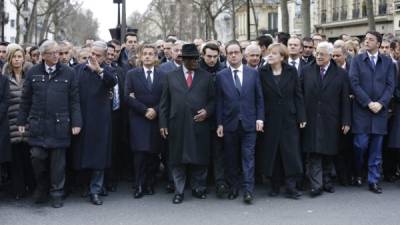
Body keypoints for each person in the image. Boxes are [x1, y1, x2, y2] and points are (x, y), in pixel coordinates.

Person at [17, 40, 82, 208]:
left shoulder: (68, 73)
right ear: (43, 55)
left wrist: (76, 122)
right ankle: (42, 185)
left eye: (58, 53)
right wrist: (21, 121)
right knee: (37, 157)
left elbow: (74, 100)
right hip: (38, 124)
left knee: (58, 163)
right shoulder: (33, 72)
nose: (57, 56)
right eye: (53, 53)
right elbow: (25, 99)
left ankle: (57, 193)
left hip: (60, 124)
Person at [159, 43, 215, 204]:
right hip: (177, 125)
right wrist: (162, 124)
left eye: (196, 59)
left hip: (199, 124)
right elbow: (164, 103)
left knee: (200, 158)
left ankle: (199, 188)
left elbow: (213, 100)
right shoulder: (171, 76)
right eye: (191, 59)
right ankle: (179, 191)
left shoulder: (206, 76)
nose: (194, 62)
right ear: (183, 60)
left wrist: (207, 111)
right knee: (177, 160)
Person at [216, 40, 264, 204]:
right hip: (230, 124)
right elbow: (219, 102)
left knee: (248, 157)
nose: (234, 55)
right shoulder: (221, 76)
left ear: (242, 54)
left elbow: (259, 98)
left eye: (236, 52)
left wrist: (260, 118)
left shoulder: (253, 73)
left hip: (249, 123)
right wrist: (220, 123)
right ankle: (234, 187)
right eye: (230, 53)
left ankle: (248, 190)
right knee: (231, 158)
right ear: (226, 55)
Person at [301, 42, 351, 197]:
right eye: (317, 53)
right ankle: (316, 185)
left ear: (330, 56)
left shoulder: (341, 74)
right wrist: (301, 117)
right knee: (314, 152)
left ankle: (326, 180)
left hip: (331, 118)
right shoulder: (306, 70)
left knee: (329, 151)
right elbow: (299, 96)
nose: (318, 56)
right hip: (311, 117)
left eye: (322, 54)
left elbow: (345, 99)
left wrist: (346, 121)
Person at [258, 43, 306, 199]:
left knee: (290, 152)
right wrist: (261, 118)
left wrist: (301, 116)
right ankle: (275, 185)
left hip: (288, 118)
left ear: (282, 57)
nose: (269, 56)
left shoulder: (292, 72)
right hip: (270, 118)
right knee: (273, 152)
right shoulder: (262, 72)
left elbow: (298, 95)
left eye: (273, 53)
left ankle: (291, 186)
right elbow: (260, 98)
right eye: (269, 53)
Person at [73, 41, 117, 205]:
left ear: (105, 57)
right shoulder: (78, 70)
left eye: (98, 55)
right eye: (92, 54)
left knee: (99, 156)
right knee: (82, 154)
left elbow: (112, 81)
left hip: (100, 120)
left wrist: (99, 70)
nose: (94, 58)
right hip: (82, 118)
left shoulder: (109, 70)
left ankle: (95, 190)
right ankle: (84, 185)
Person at [350, 31, 395, 194]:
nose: (366, 41)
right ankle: (357, 171)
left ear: (378, 43)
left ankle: (373, 180)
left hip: (380, 112)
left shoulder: (388, 62)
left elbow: (391, 86)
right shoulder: (357, 61)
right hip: (362, 110)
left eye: (371, 39)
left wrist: (381, 103)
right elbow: (354, 83)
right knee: (360, 145)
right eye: (365, 39)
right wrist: (368, 102)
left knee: (376, 149)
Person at [125, 44, 164, 198]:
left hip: (156, 119)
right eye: (145, 54)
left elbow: (166, 97)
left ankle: (150, 183)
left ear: (155, 57)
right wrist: (144, 110)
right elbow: (127, 96)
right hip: (138, 119)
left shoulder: (163, 75)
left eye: (151, 54)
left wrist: (155, 110)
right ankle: (139, 185)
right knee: (140, 154)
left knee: (153, 154)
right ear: (140, 57)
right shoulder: (132, 74)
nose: (147, 56)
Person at [2, 44, 34, 199]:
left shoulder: (30, 75)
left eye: (19, 56)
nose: (17, 60)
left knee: (28, 156)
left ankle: (31, 186)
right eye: (14, 57)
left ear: (23, 58)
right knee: (15, 158)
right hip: (11, 120)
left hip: (28, 120)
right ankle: (18, 190)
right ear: (9, 58)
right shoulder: (4, 78)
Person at [199, 42, 227, 197]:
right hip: (201, 116)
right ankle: (201, 184)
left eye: (215, 57)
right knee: (202, 152)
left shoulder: (222, 70)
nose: (212, 60)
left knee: (218, 152)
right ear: (203, 55)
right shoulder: (196, 70)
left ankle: (220, 182)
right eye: (209, 56)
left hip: (218, 118)